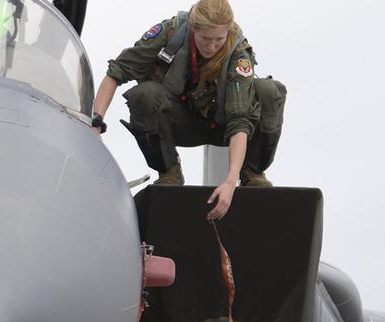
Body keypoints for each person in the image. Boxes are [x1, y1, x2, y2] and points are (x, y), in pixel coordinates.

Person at [90, 0, 286, 220]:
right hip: (180, 123)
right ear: (193, 28)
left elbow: (240, 121)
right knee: (143, 94)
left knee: (270, 90)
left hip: (226, 128)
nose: (211, 47)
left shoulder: (238, 53)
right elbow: (117, 72)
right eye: (205, 39)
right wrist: (96, 122)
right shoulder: (169, 33)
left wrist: (231, 181)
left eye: (218, 40)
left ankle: (252, 172)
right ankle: (169, 171)